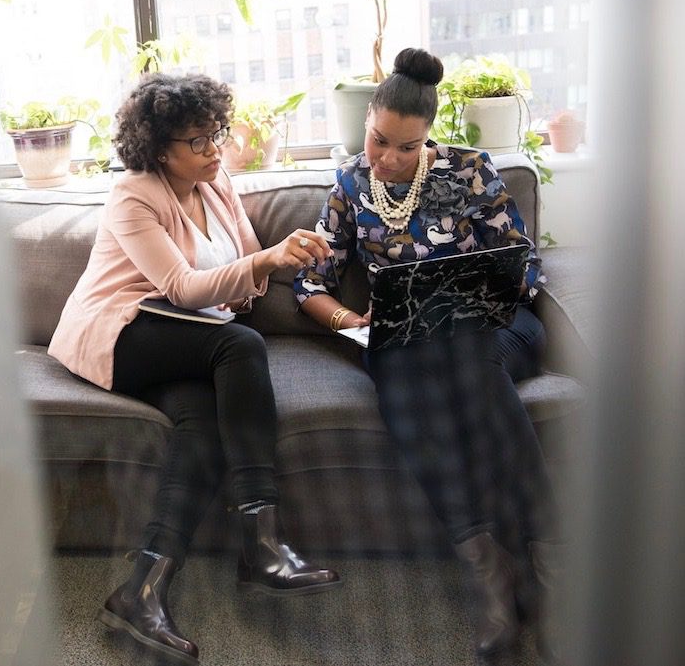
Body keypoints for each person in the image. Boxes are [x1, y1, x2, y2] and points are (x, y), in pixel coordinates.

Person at [48, 72, 341, 664]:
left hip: (185, 336)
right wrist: (265, 261)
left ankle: (142, 590)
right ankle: (261, 541)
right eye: (198, 141)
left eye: (217, 134)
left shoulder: (216, 184)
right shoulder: (134, 194)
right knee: (241, 347)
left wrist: (283, 260)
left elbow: (244, 268)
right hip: (122, 329)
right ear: (159, 148)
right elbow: (181, 287)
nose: (215, 150)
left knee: (203, 427)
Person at [293, 47, 562, 662]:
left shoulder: (471, 171)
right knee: (399, 372)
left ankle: (549, 566)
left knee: (468, 354)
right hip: (407, 344)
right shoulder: (350, 185)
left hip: (496, 330)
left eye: (405, 148)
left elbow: (525, 265)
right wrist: (348, 318)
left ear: (428, 141)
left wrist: (492, 281)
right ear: (366, 122)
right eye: (378, 140)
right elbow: (311, 282)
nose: (387, 158)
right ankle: (493, 575)